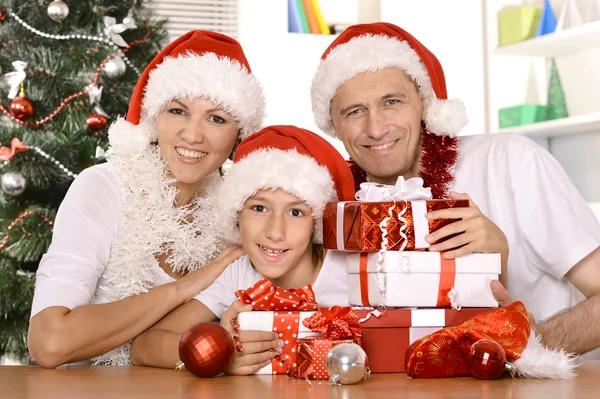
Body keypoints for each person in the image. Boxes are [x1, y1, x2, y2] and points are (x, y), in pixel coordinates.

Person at [309, 22, 600, 353]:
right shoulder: (332, 210)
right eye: (354, 111)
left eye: (391, 102)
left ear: (424, 103)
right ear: (333, 123)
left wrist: (532, 344)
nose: (375, 129)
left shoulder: (511, 161)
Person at [28, 30, 266, 368]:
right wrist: (182, 289)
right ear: (154, 117)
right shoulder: (102, 188)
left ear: (239, 134)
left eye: (216, 118)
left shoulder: (241, 212)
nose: (193, 135)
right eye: (178, 111)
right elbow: (49, 343)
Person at [129, 125, 356, 374]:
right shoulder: (239, 274)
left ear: (317, 222)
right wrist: (221, 351)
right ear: (237, 213)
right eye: (259, 208)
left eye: (296, 212)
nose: (275, 232)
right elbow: (143, 347)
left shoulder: (353, 272)